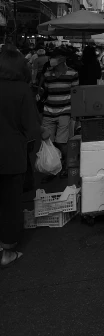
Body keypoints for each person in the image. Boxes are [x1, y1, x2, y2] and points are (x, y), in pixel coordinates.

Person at [0, 45, 41, 268]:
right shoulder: (22, 90)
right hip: (12, 154)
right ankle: (7, 252)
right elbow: (31, 126)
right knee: (11, 203)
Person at [41, 47, 79, 179]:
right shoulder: (47, 74)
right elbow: (45, 91)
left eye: (54, 57)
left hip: (65, 111)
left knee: (62, 142)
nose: (51, 60)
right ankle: (52, 167)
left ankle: (66, 166)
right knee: (48, 142)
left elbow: (75, 93)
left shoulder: (72, 74)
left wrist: (75, 114)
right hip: (48, 111)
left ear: (62, 59)